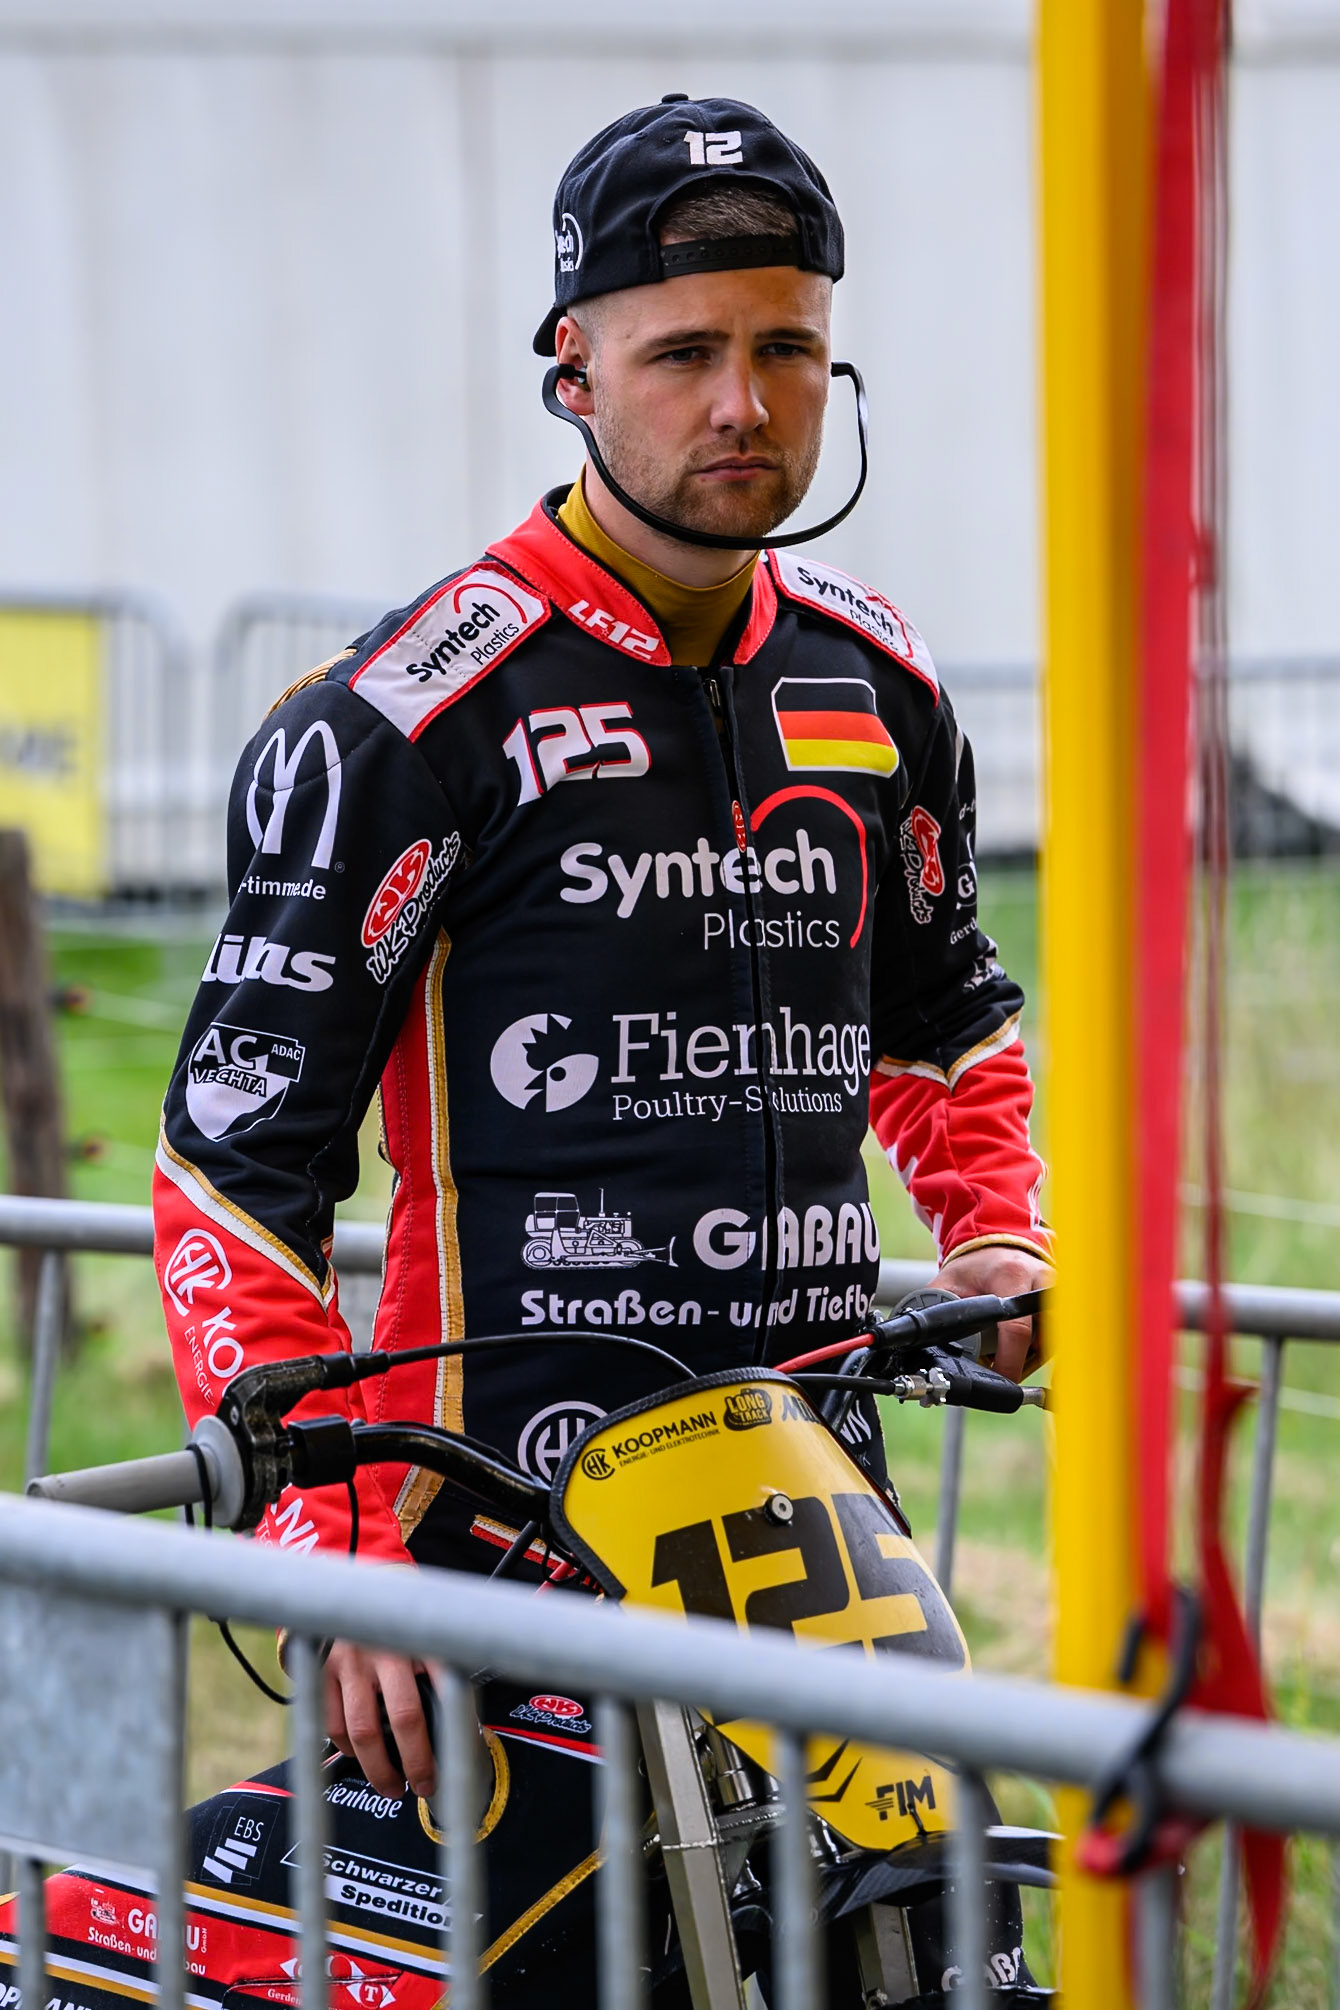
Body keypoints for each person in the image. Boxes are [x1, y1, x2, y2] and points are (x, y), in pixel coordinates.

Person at [155, 92, 1050, 1849]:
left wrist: (998, 1221)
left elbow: (945, 1022)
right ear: (572, 369)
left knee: (940, 1921)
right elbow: (231, 1168)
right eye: (684, 353)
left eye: (789, 347)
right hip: (492, 1534)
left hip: (809, 1512)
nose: (741, 403)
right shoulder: (408, 719)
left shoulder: (886, 686)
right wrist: (327, 1551)